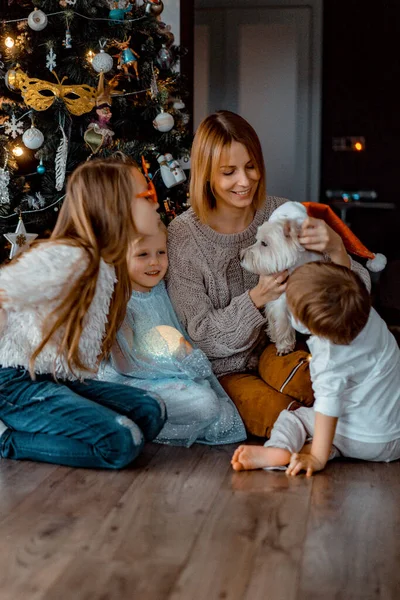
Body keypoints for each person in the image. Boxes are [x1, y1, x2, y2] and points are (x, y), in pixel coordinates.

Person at [167, 110, 371, 438]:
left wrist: (336, 250)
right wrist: (257, 298)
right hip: (225, 371)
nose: (245, 181)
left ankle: (367, 436)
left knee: (313, 385)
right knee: (278, 415)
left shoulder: (280, 213)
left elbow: (358, 294)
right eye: (229, 172)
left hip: (282, 350)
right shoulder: (183, 236)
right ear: (206, 174)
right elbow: (199, 334)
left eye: (251, 167)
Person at [0, 157, 166, 469]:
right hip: (16, 382)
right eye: (148, 196)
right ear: (116, 208)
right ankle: (8, 439)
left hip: (58, 378)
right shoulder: (69, 258)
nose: (156, 202)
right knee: (120, 443)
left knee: (151, 410)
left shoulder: (105, 263)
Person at [231, 262, 400, 475]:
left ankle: (280, 448)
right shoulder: (367, 316)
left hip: (363, 438)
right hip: (394, 436)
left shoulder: (328, 359)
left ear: (302, 323)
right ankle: (321, 448)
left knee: (296, 418)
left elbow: (327, 407)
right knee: (340, 432)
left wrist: (317, 459)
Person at [99, 222, 247, 447]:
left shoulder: (160, 290)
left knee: (223, 415)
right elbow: (126, 366)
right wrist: (178, 360)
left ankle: (150, 423)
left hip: (165, 376)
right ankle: (139, 423)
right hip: (130, 382)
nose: (154, 262)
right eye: (142, 255)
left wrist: (181, 363)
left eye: (161, 252)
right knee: (205, 404)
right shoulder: (122, 303)